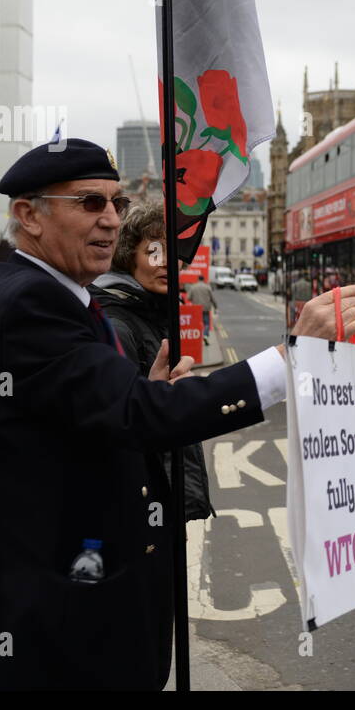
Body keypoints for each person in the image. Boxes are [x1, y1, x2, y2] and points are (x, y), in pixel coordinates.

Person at [0, 138, 355, 690]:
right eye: (90, 203)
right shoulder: (28, 303)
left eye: (115, 203)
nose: (112, 220)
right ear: (29, 216)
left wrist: (141, 392)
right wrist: (291, 358)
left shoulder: (64, 293)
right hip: (41, 628)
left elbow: (98, 411)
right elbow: (141, 415)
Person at [91, 203, 213, 521]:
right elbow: (120, 427)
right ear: (129, 255)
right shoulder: (118, 323)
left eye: (173, 253)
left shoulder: (151, 309)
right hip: (140, 505)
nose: (166, 264)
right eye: (153, 252)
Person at [184, 274, 217, 341]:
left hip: (196, 308)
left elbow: (188, 297)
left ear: (198, 279)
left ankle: (197, 337)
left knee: (197, 323)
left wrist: (194, 299)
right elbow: (212, 298)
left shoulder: (193, 287)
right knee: (206, 323)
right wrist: (215, 306)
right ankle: (205, 335)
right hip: (206, 308)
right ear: (203, 279)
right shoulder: (207, 287)